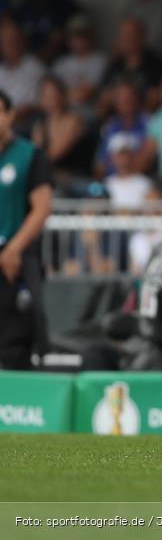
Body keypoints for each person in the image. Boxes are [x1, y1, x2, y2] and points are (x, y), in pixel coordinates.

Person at [0, 90, 53, 370]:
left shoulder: (30, 155)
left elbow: (42, 207)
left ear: (10, 115)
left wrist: (14, 249)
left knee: (16, 336)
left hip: (16, 257)